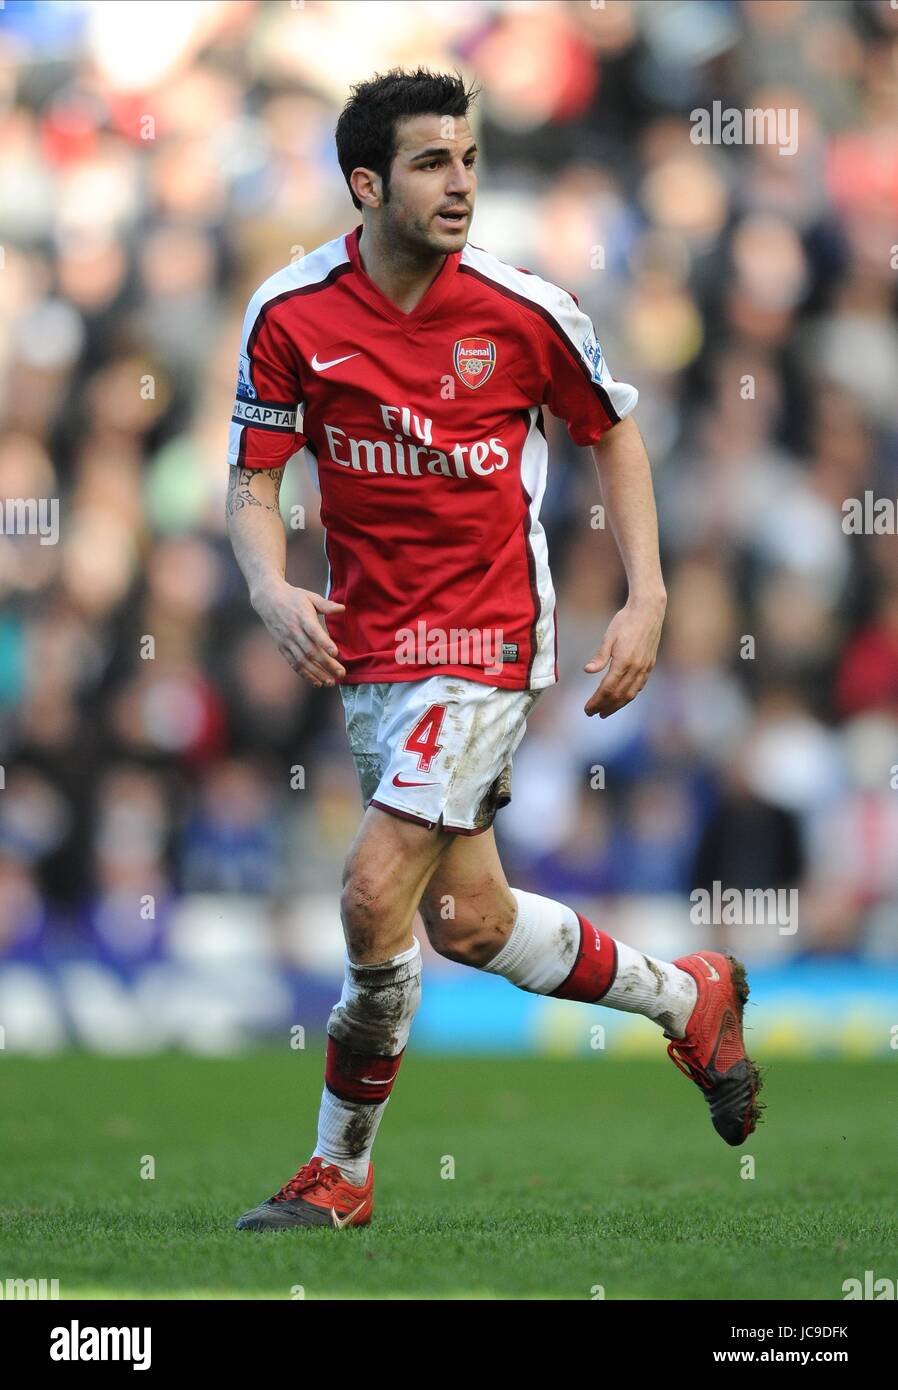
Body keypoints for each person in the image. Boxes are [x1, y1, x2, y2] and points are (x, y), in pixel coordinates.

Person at [225, 67, 762, 1232]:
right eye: (430, 162)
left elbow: (613, 436)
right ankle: (690, 998)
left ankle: (340, 1174)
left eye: (467, 158)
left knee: (372, 897)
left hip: (485, 636)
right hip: (369, 654)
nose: (459, 182)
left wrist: (647, 594)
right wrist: (268, 582)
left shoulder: (523, 312)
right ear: (365, 183)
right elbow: (252, 483)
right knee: (465, 921)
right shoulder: (291, 316)